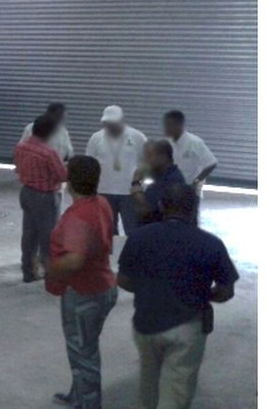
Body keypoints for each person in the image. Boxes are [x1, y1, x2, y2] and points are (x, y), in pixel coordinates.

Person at [118, 184, 238, 409]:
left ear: (162, 206)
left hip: (146, 323)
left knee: (148, 382)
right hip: (187, 326)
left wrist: (148, 289)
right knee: (176, 392)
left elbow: (123, 280)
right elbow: (226, 291)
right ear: (194, 208)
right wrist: (203, 294)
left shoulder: (139, 237)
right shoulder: (211, 244)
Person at [46, 156, 117, 409]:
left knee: (84, 354)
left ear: (70, 180)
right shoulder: (100, 204)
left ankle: (88, 403)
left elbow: (74, 260)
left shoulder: (79, 215)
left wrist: (50, 267)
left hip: (84, 293)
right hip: (103, 285)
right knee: (84, 348)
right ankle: (79, 395)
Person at [13, 115, 67, 282]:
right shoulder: (49, 153)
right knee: (48, 237)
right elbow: (62, 175)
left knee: (29, 234)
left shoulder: (21, 147)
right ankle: (51, 274)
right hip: (46, 197)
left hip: (26, 193)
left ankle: (28, 272)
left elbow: (17, 168)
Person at [85, 105, 147, 235]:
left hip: (129, 192)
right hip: (104, 191)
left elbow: (147, 162)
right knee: (107, 231)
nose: (110, 127)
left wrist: (140, 184)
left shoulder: (137, 137)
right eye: (107, 123)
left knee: (133, 230)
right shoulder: (96, 138)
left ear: (122, 120)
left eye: (113, 123)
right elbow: (89, 164)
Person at [130, 140, 187, 226]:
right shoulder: (160, 176)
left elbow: (146, 208)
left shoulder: (171, 180)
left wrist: (136, 183)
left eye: (149, 156)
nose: (145, 160)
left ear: (163, 157)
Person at [163, 110, 218, 193]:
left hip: (189, 190)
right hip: (172, 188)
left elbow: (212, 163)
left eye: (169, 125)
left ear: (179, 125)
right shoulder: (167, 143)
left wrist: (197, 181)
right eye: (166, 125)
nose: (166, 128)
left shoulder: (194, 142)